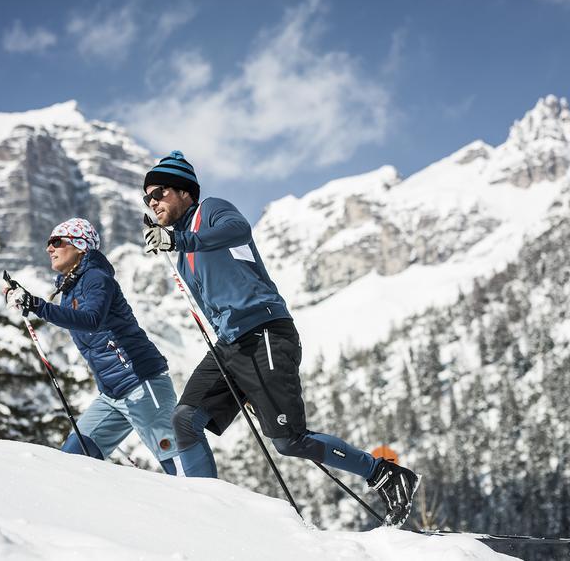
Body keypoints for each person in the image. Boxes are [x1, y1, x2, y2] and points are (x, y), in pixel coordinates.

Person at [140, 151, 421, 525]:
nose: (153, 202)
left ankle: (384, 474)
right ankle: (204, 514)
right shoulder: (181, 247)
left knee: (290, 442)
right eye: (147, 198)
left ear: (184, 191)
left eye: (158, 193)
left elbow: (237, 231)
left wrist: (182, 243)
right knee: (185, 419)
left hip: (265, 334)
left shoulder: (211, 211)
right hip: (231, 345)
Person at [5, 217, 180, 474]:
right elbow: (77, 318)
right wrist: (30, 303)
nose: (49, 248)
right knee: (72, 460)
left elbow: (92, 320)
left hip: (142, 383)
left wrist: (37, 305)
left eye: (56, 242)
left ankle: (217, 511)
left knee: (176, 463)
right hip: (112, 395)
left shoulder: (96, 277)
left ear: (80, 246)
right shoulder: (70, 291)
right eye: (48, 243)